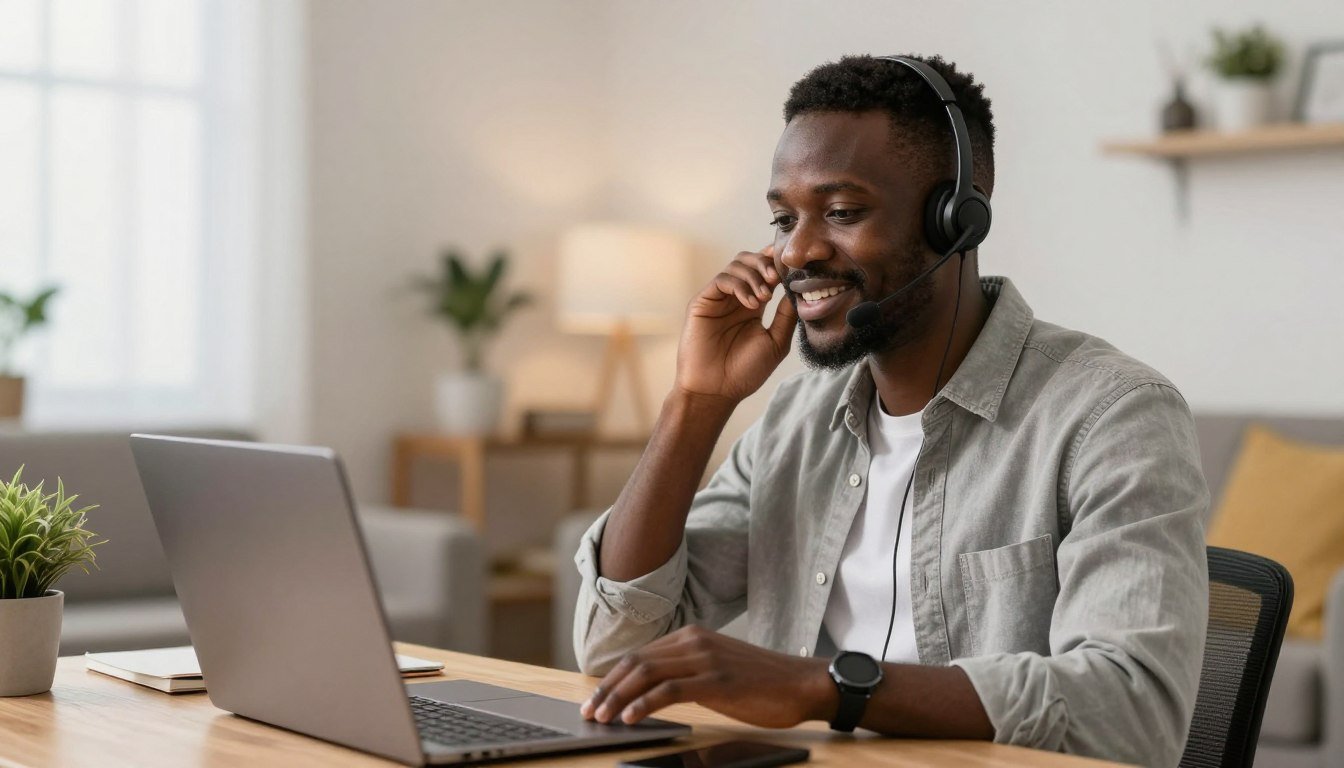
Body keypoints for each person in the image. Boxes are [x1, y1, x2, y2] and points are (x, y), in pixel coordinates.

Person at [571, 53, 1209, 767]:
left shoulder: (1112, 417)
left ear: (957, 217)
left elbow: (1132, 714)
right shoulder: (796, 420)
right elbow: (616, 645)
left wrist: (825, 688)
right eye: (783, 218)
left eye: (842, 213)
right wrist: (696, 403)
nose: (797, 251)